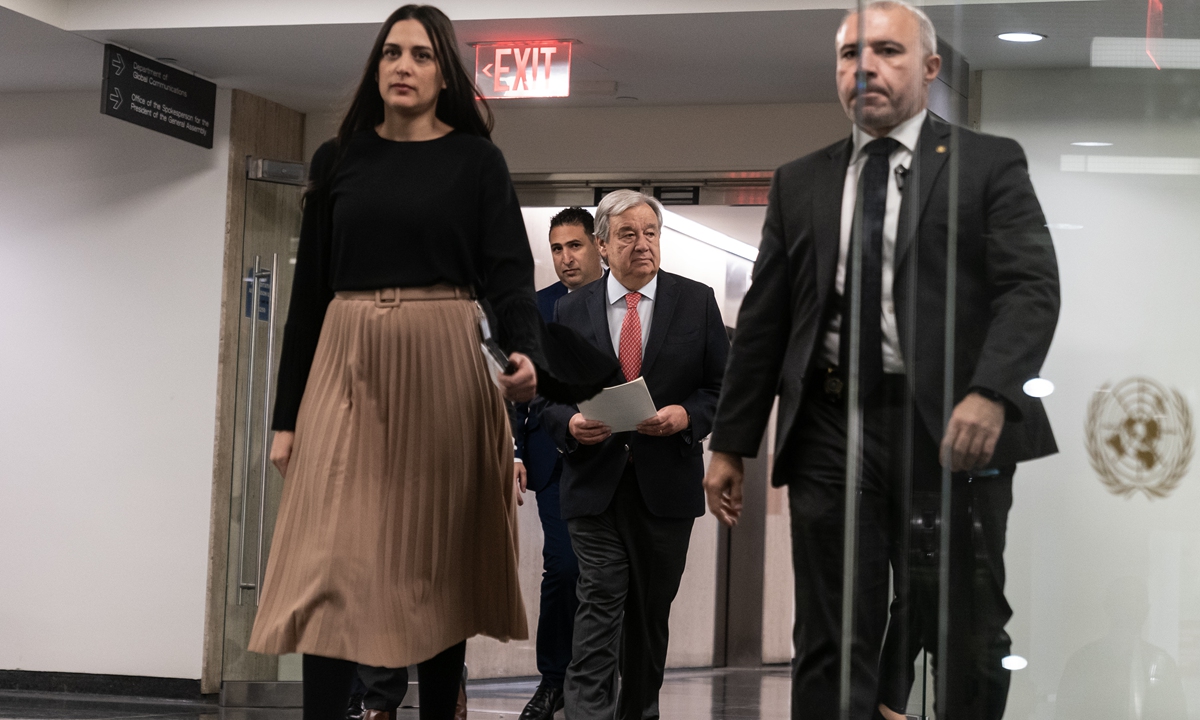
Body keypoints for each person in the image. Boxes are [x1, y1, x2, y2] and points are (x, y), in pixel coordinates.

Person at [701, 2, 1060, 718]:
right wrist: (730, 442)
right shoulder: (801, 181)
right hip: (832, 428)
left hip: (953, 429)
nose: (864, 67)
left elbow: (1032, 288)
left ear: (930, 68)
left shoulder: (987, 164)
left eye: (887, 51)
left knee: (967, 630)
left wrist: (992, 392)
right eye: (849, 54)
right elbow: (766, 322)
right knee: (831, 637)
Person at [243, 6, 602, 720]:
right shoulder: (338, 159)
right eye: (391, 53)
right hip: (347, 356)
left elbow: (507, 278)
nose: (403, 66)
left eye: (420, 55)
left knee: (436, 559)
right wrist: (286, 419)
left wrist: (525, 356)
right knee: (328, 560)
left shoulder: (476, 162)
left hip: (443, 354)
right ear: (376, 68)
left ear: (444, 76)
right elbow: (308, 299)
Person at [541, 190, 730, 720]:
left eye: (651, 233)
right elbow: (547, 396)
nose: (643, 244)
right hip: (594, 484)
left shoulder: (696, 301)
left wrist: (686, 416)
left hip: (665, 486)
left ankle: (640, 712)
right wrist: (570, 423)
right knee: (598, 604)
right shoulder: (569, 309)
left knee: (648, 618)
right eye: (628, 234)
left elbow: (723, 387)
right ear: (602, 246)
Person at [511, 207, 605, 720]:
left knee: (607, 576)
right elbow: (515, 385)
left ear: (598, 245)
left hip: (611, 458)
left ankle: (601, 682)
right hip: (553, 457)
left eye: (575, 245)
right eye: (556, 248)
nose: (566, 258)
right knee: (564, 567)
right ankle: (554, 680)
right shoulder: (536, 308)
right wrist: (515, 450)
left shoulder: (620, 301)